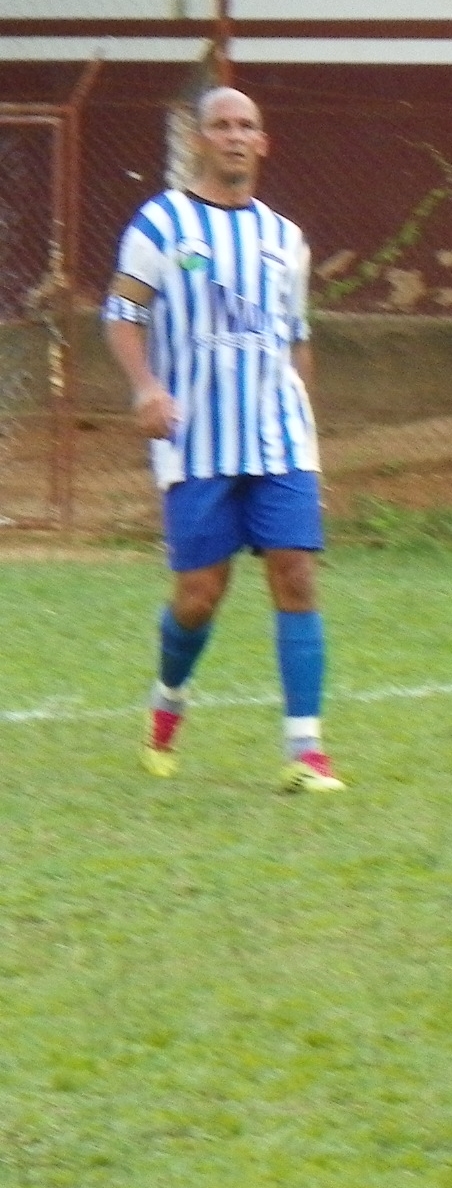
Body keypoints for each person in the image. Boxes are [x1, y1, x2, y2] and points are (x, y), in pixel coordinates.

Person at [102, 85, 343, 793]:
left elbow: (297, 340)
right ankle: (168, 700)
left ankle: (306, 751)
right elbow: (121, 313)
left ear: (262, 143)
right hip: (196, 441)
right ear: (199, 140)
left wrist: (309, 439)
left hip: (279, 440)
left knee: (295, 574)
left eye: (247, 126)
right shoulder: (160, 223)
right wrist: (146, 387)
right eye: (222, 125)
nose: (235, 136)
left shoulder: (285, 239)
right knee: (199, 594)